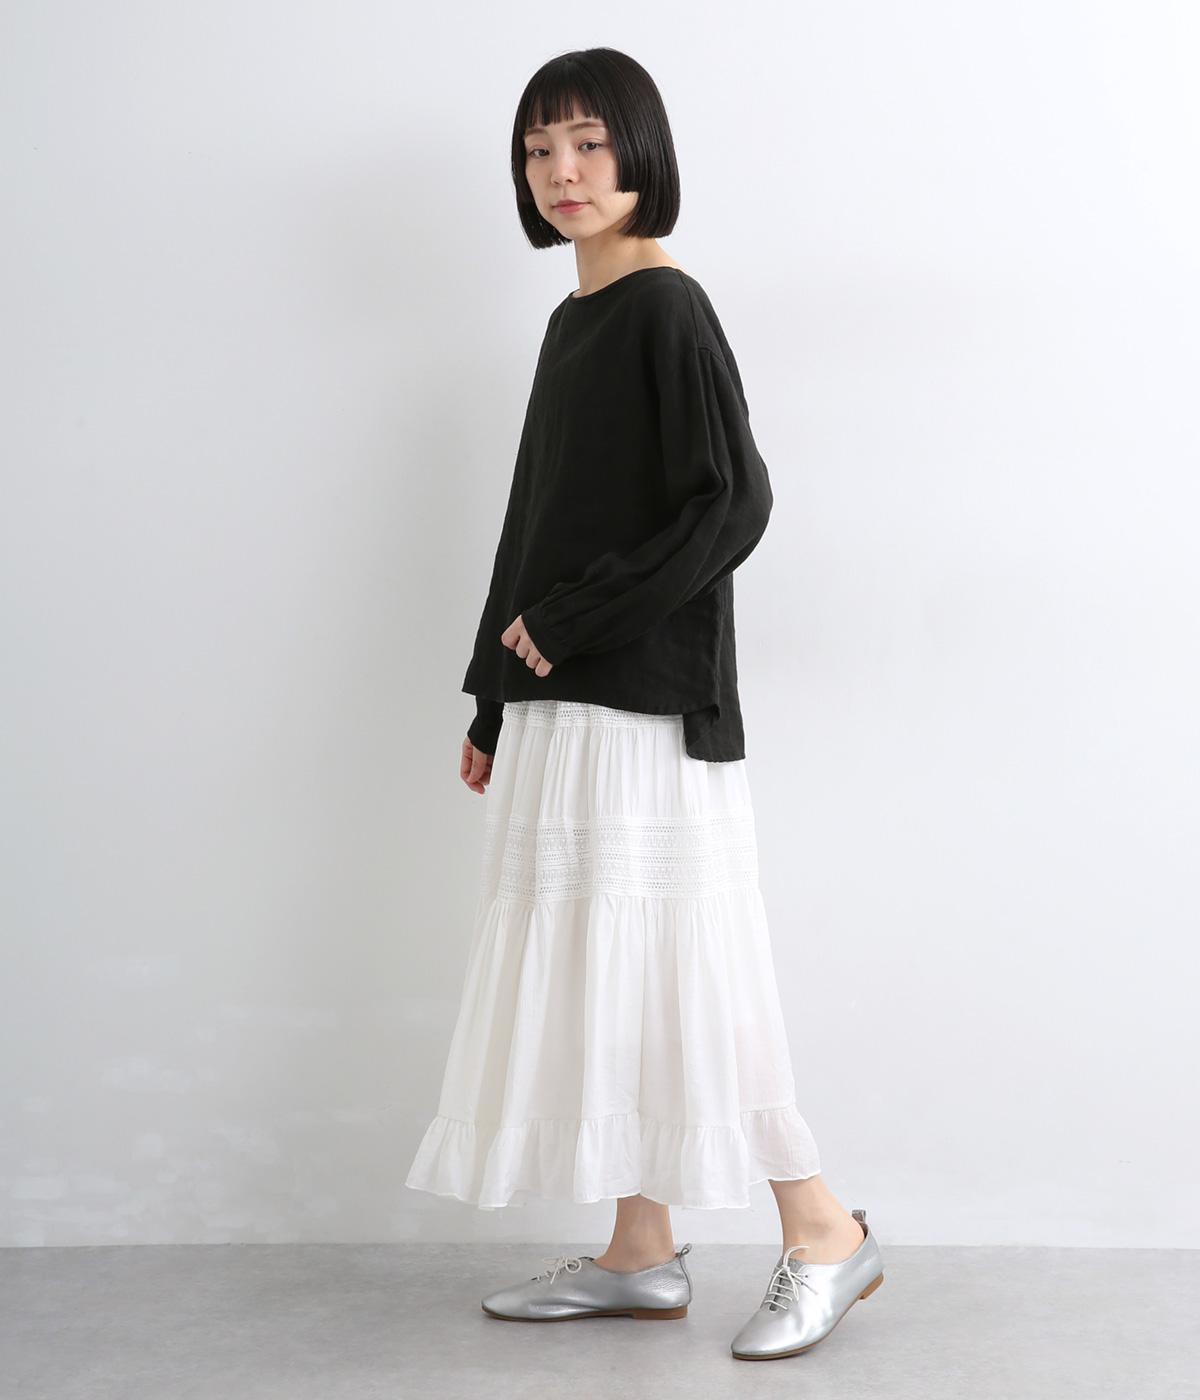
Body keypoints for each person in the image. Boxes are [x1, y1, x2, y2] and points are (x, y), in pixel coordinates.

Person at [405, 46, 884, 1362]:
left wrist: (567, 626)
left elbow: (735, 503)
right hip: (565, 702)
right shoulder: (575, 321)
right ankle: (639, 1249)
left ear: (641, 153)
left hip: (645, 708)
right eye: (537, 149)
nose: (561, 172)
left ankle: (824, 1230)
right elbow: (534, 529)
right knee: (606, 976)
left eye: (588, 144)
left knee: (685, 971)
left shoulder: (667, 304)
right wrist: (494, 698)